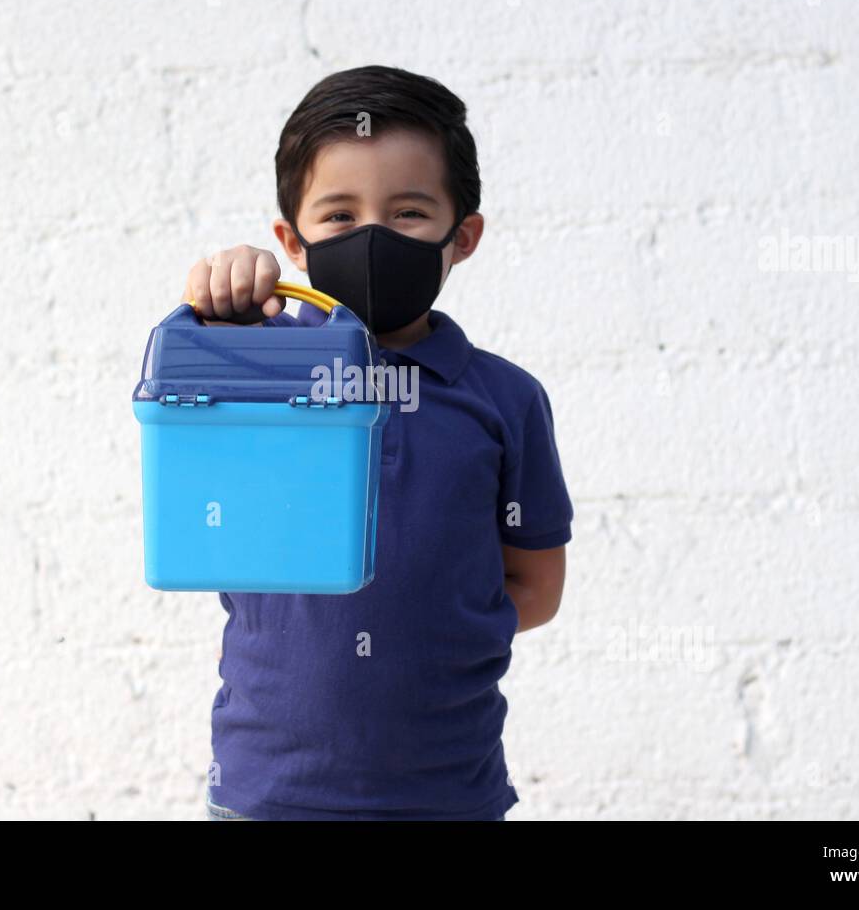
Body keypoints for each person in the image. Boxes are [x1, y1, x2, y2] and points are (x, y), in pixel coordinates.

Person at [183, 65, 573, 820]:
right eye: (337, 215)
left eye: (408, 214)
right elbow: (198, 467)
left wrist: (428, 626)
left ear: (463, 237)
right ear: (289, 242)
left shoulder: (506, 400)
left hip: (448, 796)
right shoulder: (251, 369)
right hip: (265, 794)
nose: (370, 236)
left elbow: (537, 585)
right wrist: (221, 310)